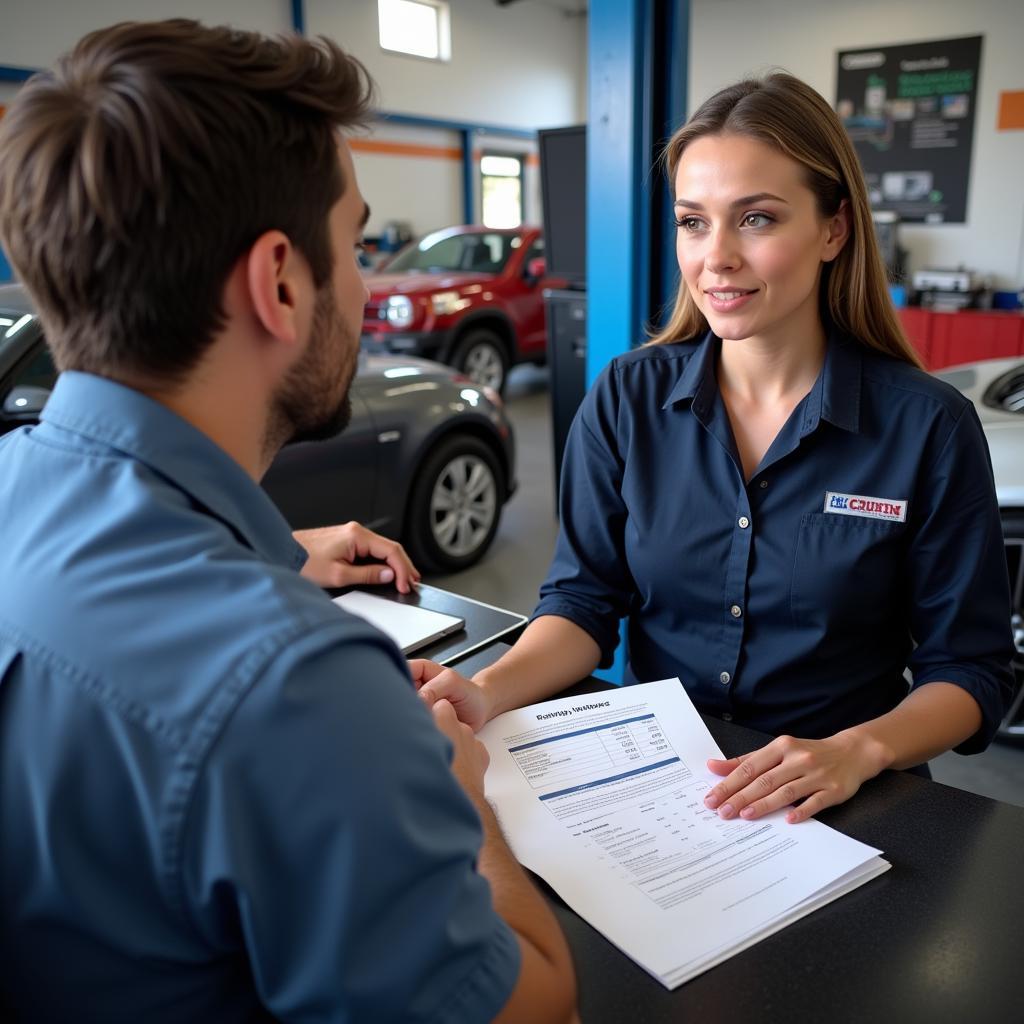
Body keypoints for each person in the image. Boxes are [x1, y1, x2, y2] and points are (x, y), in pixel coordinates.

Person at [0, 20, 575, 1023]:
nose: (363, 284)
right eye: (353, 245)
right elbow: (539, 1008)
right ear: (278, 281)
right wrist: (459, 791)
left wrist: (266, 559)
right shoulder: (299, 689)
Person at [414, 73, 1015, 826]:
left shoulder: (928, 427)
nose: (716, 257)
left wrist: (859, 749)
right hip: (659, 789)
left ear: (834, 230)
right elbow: (583, 600)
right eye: (693, 222)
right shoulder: (627, 398)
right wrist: (488, 690)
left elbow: (970, 668)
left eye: (756, 219)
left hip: (842, 801)